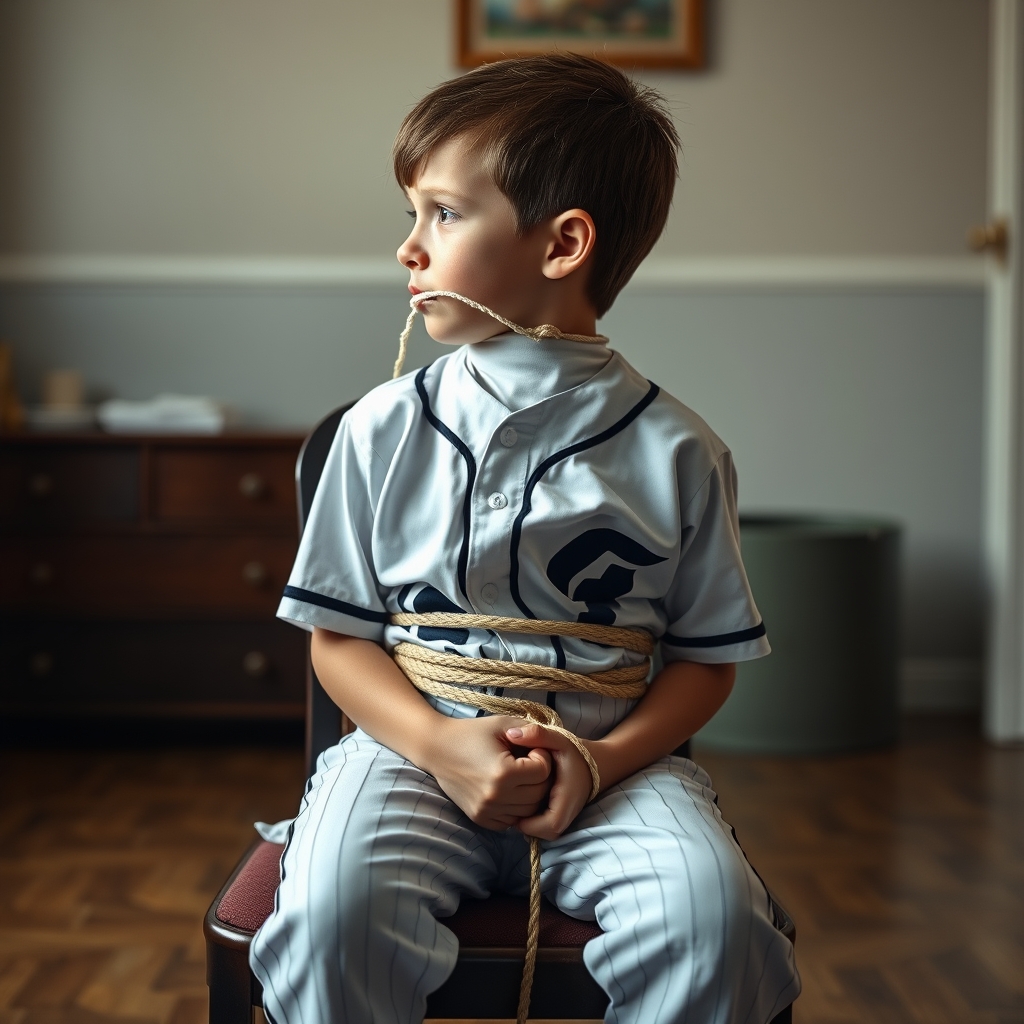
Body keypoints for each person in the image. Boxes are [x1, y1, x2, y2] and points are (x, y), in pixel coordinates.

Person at [251, 52, 801, 1024]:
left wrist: (602, 759)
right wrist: (440, 744)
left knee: (712, 921)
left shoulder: (678, 449)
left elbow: (704, 663)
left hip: (615, 767)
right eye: (410, 215)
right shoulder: (379, 428)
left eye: (444, 214)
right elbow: (339, 641)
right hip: (406, 752)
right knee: (335, 911)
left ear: (563, 244)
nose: (407, 249)